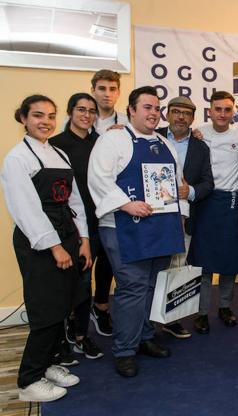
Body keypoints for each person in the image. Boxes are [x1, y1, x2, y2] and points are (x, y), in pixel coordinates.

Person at [88, 86, 188, 377]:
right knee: (132, 288)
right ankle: (124, 350)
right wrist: (126, 204)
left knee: (152, 287)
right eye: (147, 107)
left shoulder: (164, 143)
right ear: (131, 110)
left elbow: (177, 182)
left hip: (161, 227)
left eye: (157, 108)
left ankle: (144, 338)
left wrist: (181, 215)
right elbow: (98, 178)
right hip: (123, 226)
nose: (154, 113)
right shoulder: (114, 139)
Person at [2, 95, 91, 401]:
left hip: (67, 236)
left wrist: (84, 242)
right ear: (23, 118)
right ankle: (28, 380)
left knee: (64, 304)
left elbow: (75, 200)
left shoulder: (58, 154)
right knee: (45, 310)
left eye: (51, 116)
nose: (46, 122)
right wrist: (55, 247)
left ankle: (50, 363)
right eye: (38, 115)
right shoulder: (17, 159)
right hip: (38, 242)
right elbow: (26, 210)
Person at [49, 93, 104, 360]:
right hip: (68, 225)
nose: (87, 115)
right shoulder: (55, 145)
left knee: (86, 284)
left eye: (92, 111)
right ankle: (62, 337)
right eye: (81, 110)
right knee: (70, 283)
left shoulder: (102, 143)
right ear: (70, 112)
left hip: (100, 220)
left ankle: (82, 335)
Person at [155, 96, 214, 339]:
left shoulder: (201, 147)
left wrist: (188, 192)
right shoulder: (151, 137)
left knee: (178, 267)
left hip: (183, 218)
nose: (180, 117)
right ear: (166, 114)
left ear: (192, 118)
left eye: (186, 113)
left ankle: (172, 319)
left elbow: (208, 183)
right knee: (151, 268)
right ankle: (146, 321)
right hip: (151, 216)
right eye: (176, 111)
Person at [190, 91, 238, 333]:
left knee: (229, 259)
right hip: (205, 201)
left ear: (233, 111)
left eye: (227, 109)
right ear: (210, 111)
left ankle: (224, 306)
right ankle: (201, 312)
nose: (222, 114)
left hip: (232, 203)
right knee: (203, 262)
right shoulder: (199, 134)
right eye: (218, 109)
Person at [89, 69, 129, 337]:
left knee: (108, 259)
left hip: (114, 204)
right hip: (81, 202)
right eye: (102, 88)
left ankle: (101, 306)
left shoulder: (127, 123)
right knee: (82, 261)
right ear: (93, 90)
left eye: (112, 89)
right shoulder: (80, 120)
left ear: (118, 92)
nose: (107, 94)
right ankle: (74, 317)